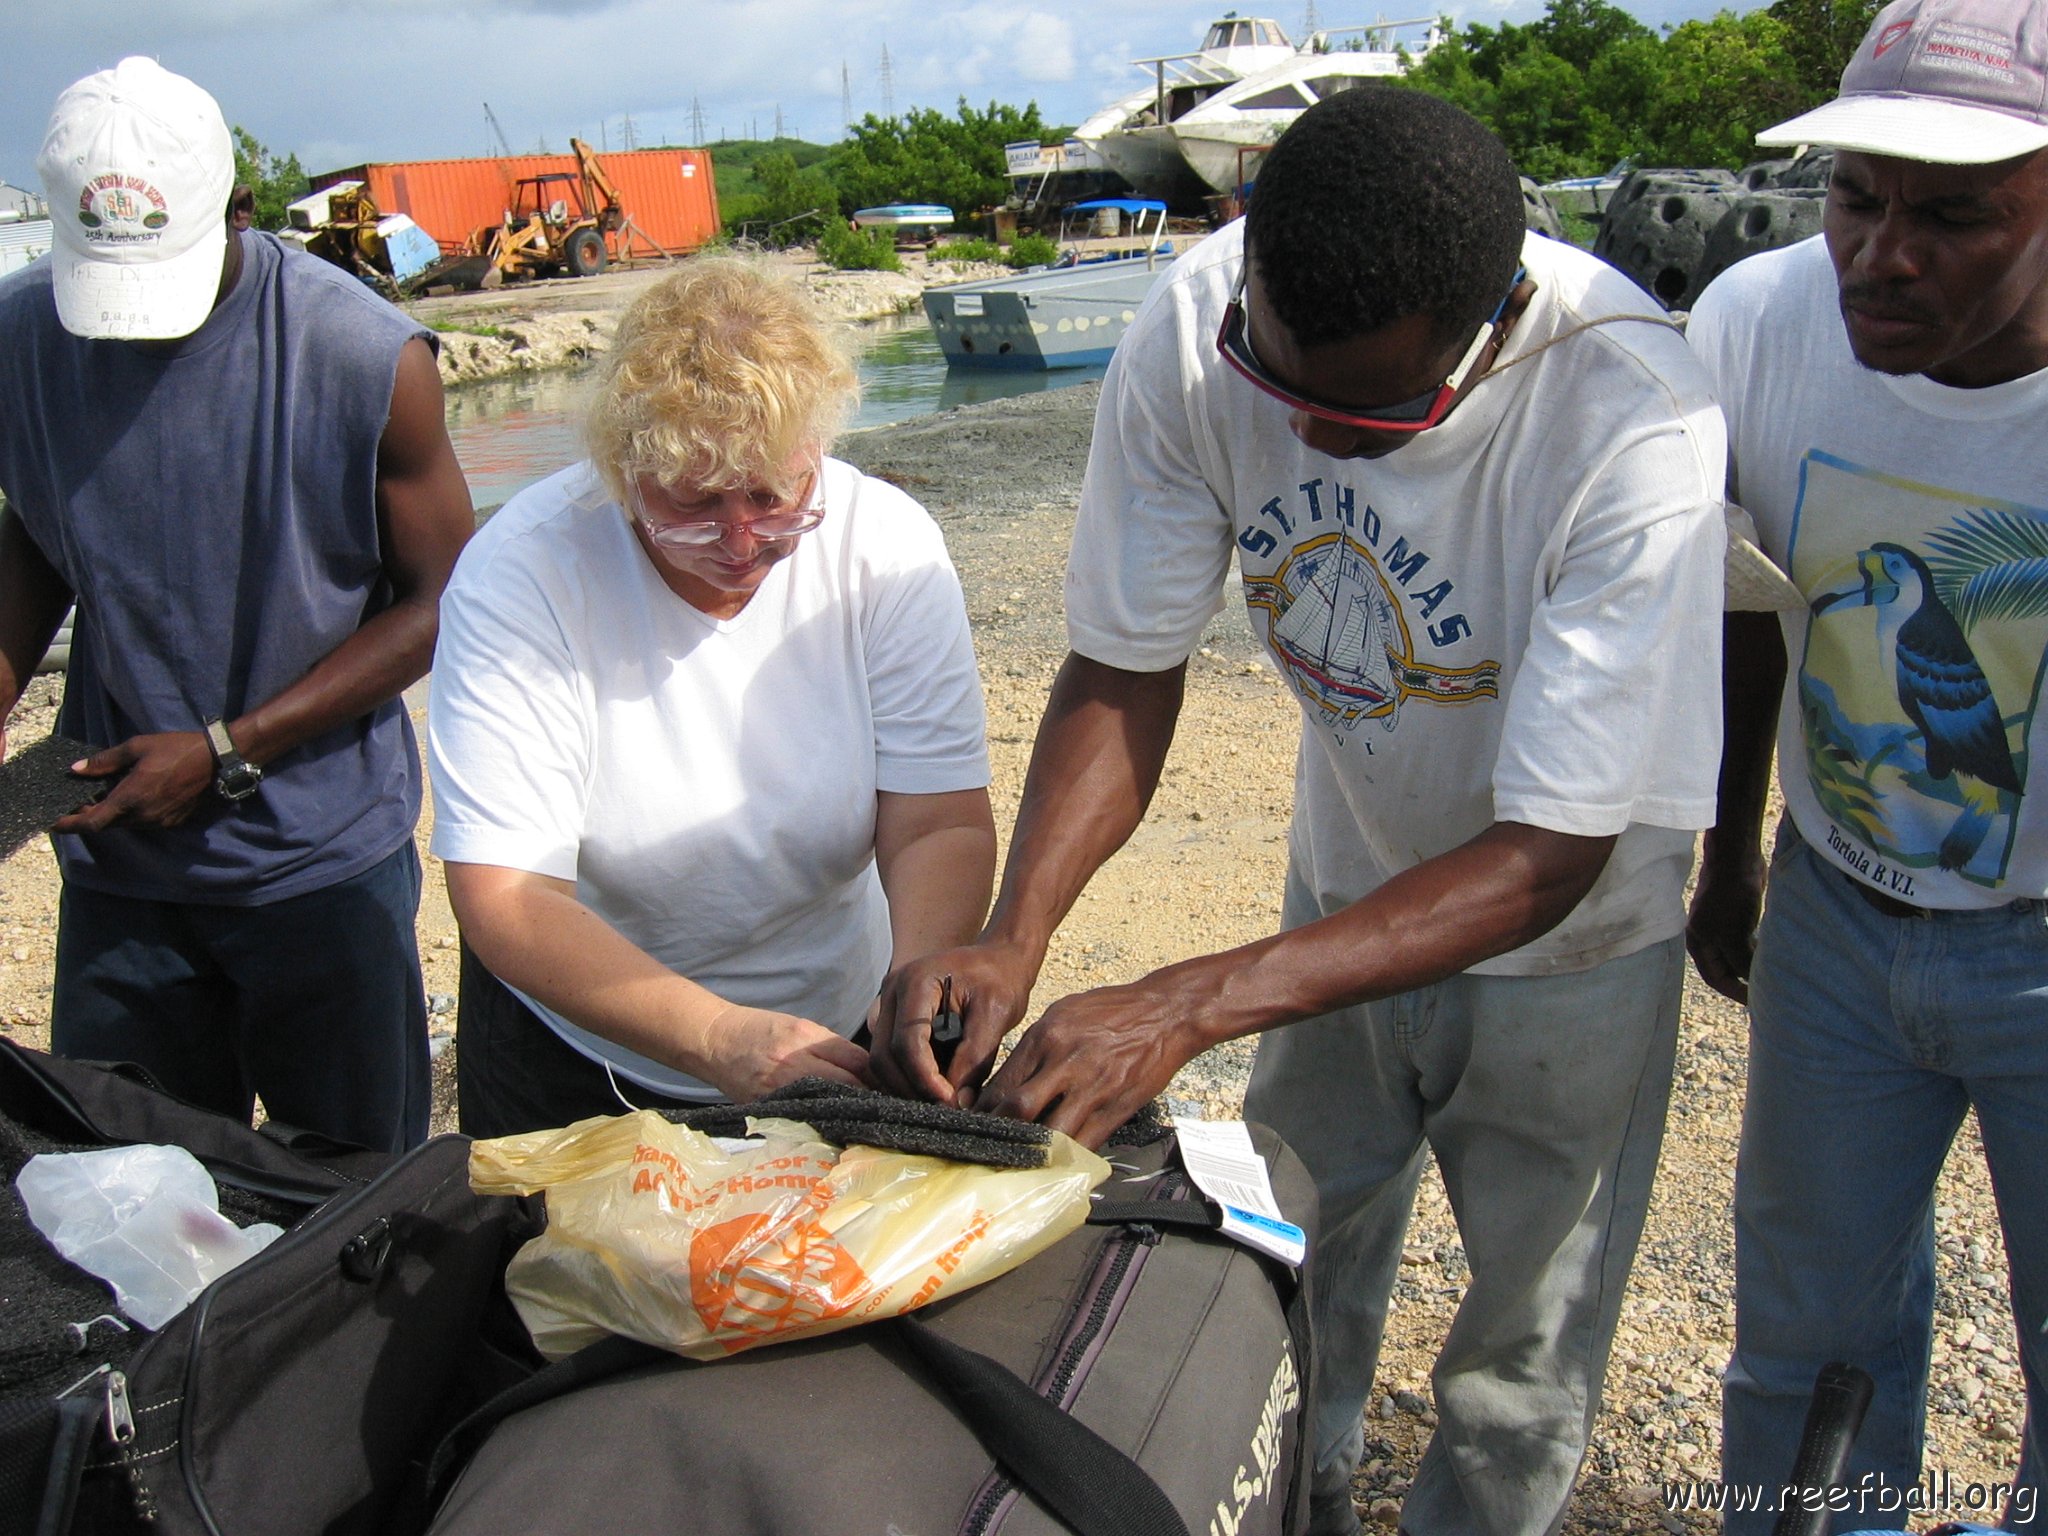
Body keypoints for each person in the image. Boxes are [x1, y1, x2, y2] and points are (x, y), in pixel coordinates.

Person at [871, 87, 1728, 1536]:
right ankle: (1295, 1502)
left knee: (1525, 1348)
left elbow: (1549, 855)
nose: (1320, 442)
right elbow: (1126, 664)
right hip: (1345, 896)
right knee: (1296, 1250)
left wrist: (1190, 1002)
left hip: (1571, 945)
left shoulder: (1632, 419)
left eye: (1377, 412)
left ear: (1492, 321)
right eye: (1286, 393)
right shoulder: (1194, 324)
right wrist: (1015, 936)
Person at [1686, 2, 2048, 1528]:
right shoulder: (1756, 326)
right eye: (1855, 194)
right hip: (1834, 925)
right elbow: (1748, 603)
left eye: (1953, 212)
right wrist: (1730, 853)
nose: (1880, 255)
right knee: (1803, 1356)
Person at [0, 59, 472, 1152]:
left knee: (354, 1202)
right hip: (119, 860)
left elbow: (444, 593)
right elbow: (34, 531)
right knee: (129, 1192)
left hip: (316, 858)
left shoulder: (363, 355)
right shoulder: (22, 342)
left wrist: (227, 747)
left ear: (241, 213)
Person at [426, 258, 995, 1137]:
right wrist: (718, 1036)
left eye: (774, 497)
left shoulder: (883, 546)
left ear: (818, 452)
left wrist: (914, 987)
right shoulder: (522, 575)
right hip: (585, 1050)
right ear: (619, 473)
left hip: (836, 1017)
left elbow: (939, 821)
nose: (740, 541)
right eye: (693, 502)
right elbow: (509, 895)